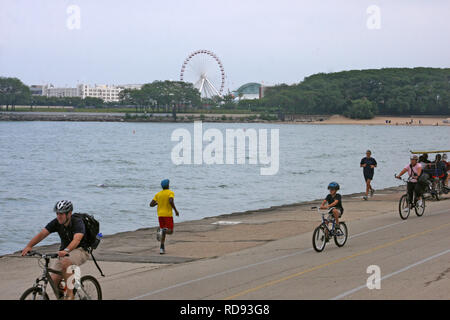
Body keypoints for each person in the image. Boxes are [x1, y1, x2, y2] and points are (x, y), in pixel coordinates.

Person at [21, 200, 90, 300]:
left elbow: (77, 239)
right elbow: (42, 234)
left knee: (66, 262)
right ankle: (62, 296)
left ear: (69, 213)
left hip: (81, 250)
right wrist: (29, 246)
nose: (58, 216)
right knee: (53, 279)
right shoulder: (56, 222)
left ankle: (70, 295)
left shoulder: (77, 222)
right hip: (64, 252)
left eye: (61, 214)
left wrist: (66, 250)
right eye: (57, 213)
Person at [150, 179, 180, 254]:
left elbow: (151, 204)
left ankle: (161, 248)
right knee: (170, 231)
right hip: (167, 215)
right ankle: (162, 231)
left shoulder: (158, 194)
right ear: (168, 185)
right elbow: (170, 201)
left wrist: (157, 203)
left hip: (160, 215)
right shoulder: (170, 192)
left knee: (164, 231)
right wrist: (175, 210)